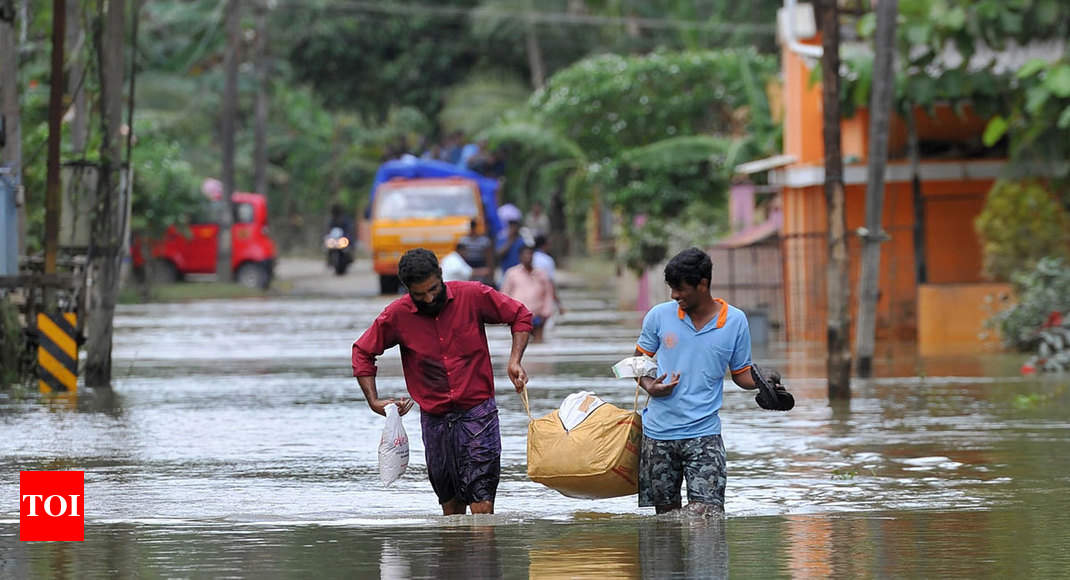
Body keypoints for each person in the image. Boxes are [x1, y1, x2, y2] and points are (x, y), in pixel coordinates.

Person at [352, 248, 533, 515]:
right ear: (407, 290)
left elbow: (520, 315)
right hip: (435, 421)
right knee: (450, 506)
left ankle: (483, 552)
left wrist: (515, 360)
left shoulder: (472, 295)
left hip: (478, 415)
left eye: (433, 289)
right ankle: (453, 554)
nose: (429, 298)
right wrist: (374, 401)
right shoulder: (397, 315)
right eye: (420, 294)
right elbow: (363, 351)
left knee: (482, 503)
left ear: (440, 275)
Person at [630, 247, 757, 516]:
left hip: (705, 434)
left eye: (680, 289)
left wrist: (763, 380)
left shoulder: (735, 321)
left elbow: (741, 374)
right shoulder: (658, 316)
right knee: (665, 524)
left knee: (707, 517)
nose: (675, 295)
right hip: (658, 436)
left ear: (703, 284)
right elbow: (637, 361)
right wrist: (649, 385)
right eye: (671, 289)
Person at [501, 245, 556, 343]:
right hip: (518, 316)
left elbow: (548, 294)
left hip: (538, 314)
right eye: (525, 254)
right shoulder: (512, 273)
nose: (528, 257)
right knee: (519, 343)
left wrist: (546, 313)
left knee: (538, 342)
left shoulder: (541, 274)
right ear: (520, 257)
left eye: (530, 254)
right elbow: (504, 295)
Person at [532, 234, 564, 315]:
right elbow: (551, 283)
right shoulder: (547, 260)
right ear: (544, 245)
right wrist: (558, 303)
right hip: (543, 297)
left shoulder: (529, 258)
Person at [458, 218, 495, 285]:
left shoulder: (484, 241)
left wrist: (490, 274)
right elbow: (460, 256)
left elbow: (489, 258)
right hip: (468, 265)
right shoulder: (463, 240)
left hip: (481, 264)